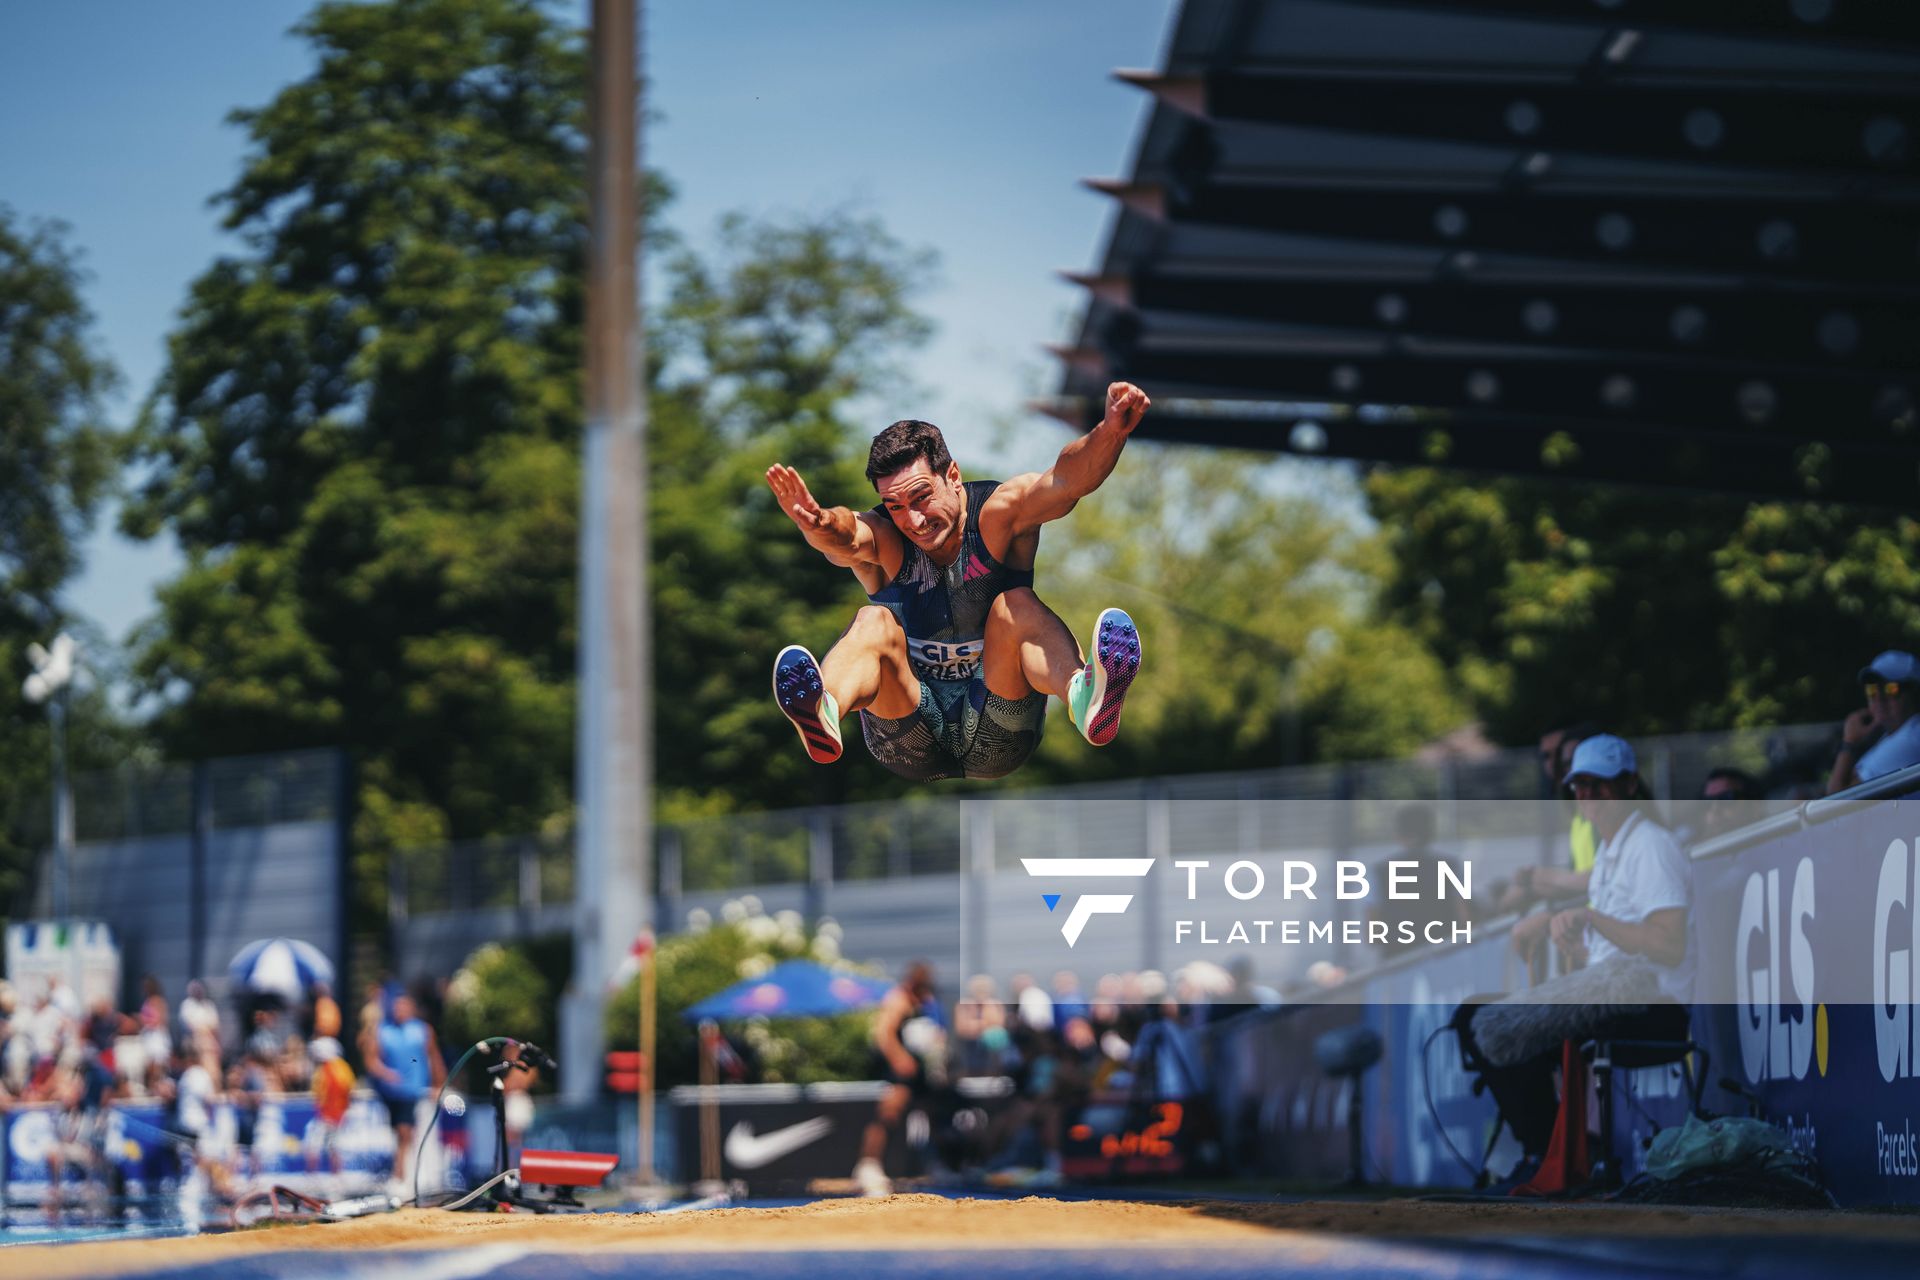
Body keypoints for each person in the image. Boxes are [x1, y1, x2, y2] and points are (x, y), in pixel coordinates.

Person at [765, 381, 1151, 781]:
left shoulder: (1000, 514)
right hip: (908, 737)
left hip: (1001, 733)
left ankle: (1083, 694)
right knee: (872, 621)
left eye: (920, 497)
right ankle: (825, 710)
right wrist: (816, 521)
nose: (913, 521)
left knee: (1014, 604)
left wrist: (1111, 431)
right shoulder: (885, 537)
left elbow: (1068, 482)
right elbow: (845, 535)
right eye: (896, 506)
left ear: (952, 474)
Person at [1453, 735, 1693, 1190]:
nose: (1588, 796)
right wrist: (1568, 939)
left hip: (1652, 1007)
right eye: (1579, 786)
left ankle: (1555, 1156)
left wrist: (1589, 917)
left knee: (1489, 1022)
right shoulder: (1611, 850)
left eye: (1599, 785)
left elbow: (1668, 946)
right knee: (1475, 1014)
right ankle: (1553, 1154)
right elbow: (1621, 947)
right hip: (1620, 991)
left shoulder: (1651, 846)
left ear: (1629, 784)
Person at [853, 961, 938, 1196]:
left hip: (918, 1072)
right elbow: (883, 1034)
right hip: (900, 1072)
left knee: (933, 1112)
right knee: (889, 1113)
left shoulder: (922, 1001)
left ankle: (935, 1166)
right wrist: (900, 1059)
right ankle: (868, 1169)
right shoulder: (898, 999)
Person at [366, 993, 445, 1189]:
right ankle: (404, 1173)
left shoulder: (422, 1031)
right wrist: (386, 1074)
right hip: (390, 1093)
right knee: (399, 1133)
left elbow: (435, 1058)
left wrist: (439, 1084)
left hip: (412, 1091)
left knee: (405, 1131)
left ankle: (400, 1175)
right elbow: (371, 1059)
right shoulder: (383, 1031)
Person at [1828, 650, 1920, 793]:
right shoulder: (1894, 734)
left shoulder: (1912, 737)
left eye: (1891, 689)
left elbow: (1834, 801)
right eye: (1872, 690)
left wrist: (1849, 743)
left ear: (1914, 692)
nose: (1879, 698)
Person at [308, 1036, 354, 1178]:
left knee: (315, 1145)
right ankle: (335, 1177)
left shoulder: (332, 1069)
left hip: (329, 1115)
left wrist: (331, 1114)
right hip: (332, 1115)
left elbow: (337, 1093)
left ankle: (315, 1177)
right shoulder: (340, 1067)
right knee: (331, 1146)